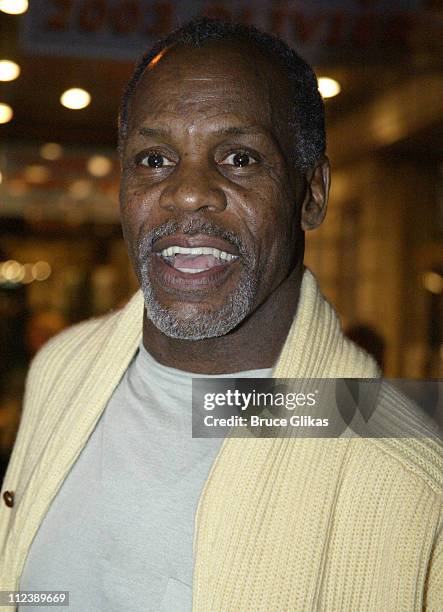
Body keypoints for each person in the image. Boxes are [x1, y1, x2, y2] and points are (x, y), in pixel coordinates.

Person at [0, 18, 442, 612]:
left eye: (239, 157)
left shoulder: (407, 480)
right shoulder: (62, 367)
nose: (187, 192)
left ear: (311, 194)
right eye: (154, 159)